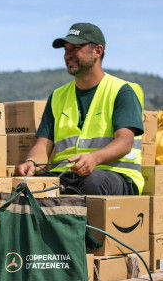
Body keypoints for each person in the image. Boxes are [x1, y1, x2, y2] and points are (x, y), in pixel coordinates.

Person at [15, 22, 144, 195]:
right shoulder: (58, 96)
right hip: (68, 175)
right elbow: (42, 144)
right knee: (29, 188)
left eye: (75, 48)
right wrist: (31, 162)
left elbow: (125, 143)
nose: (68, 55)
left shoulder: (121, 91)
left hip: (116, 176)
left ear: (97, 51)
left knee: (93, 183)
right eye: (66, 50)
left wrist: (94, 159)